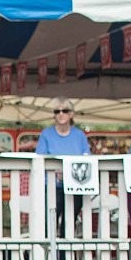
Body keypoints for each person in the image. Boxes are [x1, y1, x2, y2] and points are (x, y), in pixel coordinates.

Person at [35, 98, 92, 237]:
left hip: (75, 186)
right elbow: (39, 160)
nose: (61, 114)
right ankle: (47, 257)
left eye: (65, 111)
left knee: (69, 225)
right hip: (52, 186)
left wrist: (67, 172)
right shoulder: (46, 134)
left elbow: (86, 158)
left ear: (71, 114)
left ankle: (64, 259)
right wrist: (56, 172)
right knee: (49, 225)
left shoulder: (80, 135)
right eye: (57, 111)